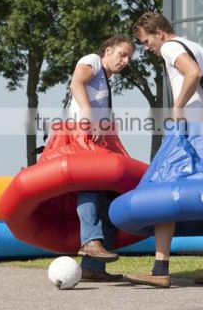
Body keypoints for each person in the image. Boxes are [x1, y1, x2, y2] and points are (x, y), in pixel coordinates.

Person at [125, 11, 203, 288]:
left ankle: (160, 269)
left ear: (159, 33)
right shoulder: (199, 48)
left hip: (189, 128)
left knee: (164, 189)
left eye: (145, 41)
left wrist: (177, 106)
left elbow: (193, 73)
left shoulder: (170, 47)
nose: (146, 47)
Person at [68, 34, 134, 282]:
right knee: (92, 187)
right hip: (79, 133)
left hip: (96, 136)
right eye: (122, 54)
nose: (126, 61)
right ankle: (90, 241)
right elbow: (76, 84)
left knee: (108, 196)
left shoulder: (106, 80)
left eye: (129, 57)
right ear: (108, 51)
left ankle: (93, 267)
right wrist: (89, 116)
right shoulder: (92, 60)